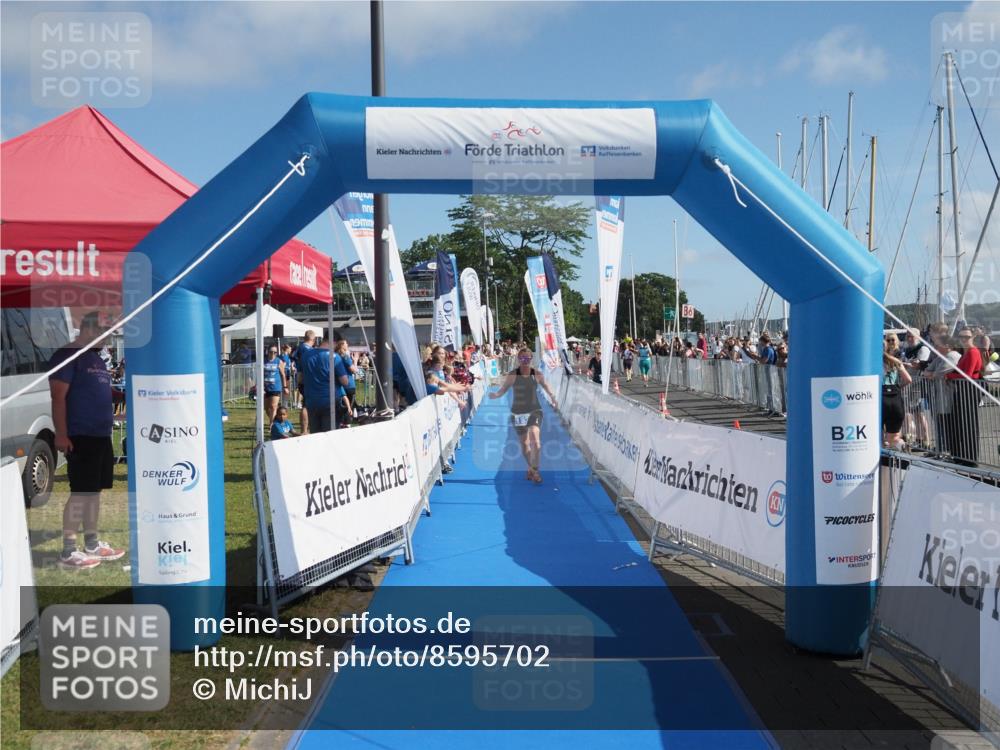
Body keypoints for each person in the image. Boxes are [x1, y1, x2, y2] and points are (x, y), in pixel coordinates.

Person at [48, 312, 125, 570]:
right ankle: (69, 551)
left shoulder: (96, 358)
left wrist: (123, 396)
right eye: (106, 332)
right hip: (80, 436)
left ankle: (92, 544)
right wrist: (61, 433)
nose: (109, 339)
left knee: (94, 492)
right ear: (90, 329)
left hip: (101, 435)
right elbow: (58, 396)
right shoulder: (68, 354)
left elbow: (100, 390)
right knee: (80, 493)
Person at [489, 347, 556, 484]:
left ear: (531, 359)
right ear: (518, 359)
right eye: (522, 359)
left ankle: (535, 471)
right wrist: (496, 395)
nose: (525, 361)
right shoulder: (513, 374)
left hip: (534, 410)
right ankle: (531, 468)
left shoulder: (536, 374)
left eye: (527, 358)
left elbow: (546, 386)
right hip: (517, 413)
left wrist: (553, 397)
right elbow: (503, 389)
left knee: (536, 441)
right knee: (525, 444)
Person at [946, 327, 983, 467]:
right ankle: (963, 456)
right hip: (962, 390)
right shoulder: (966, 352)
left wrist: (948, 375)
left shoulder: (973, 352)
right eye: (961, 336)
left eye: (967, 336)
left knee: (968, 424)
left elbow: (967, 375)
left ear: (972, 337)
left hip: (969, 391)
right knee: (961, 423)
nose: (964, 339)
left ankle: (970, 458)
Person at [882, 335, 912, 450]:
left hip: (881, 397)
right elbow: (908, 379)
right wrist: (898, 387)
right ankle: (902, 445)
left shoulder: (872, 363)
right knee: (893, 438)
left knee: (880, 439)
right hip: (895, 398)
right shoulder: (896, 361)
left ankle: (882, 464)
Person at [293, 330, 315, 433]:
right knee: (307, 406)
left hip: (301, 378)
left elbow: (293, 357)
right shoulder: (308, 350)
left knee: (305, 404)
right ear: (313, 339)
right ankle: (305, 430)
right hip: (308, 379)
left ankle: (305, 429)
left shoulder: (300, 347)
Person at [262, 345, 287, 422]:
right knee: (266, 407)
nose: (273, 353)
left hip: (275, 387)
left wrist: (285, 387)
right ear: (267, 352)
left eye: (275, 352)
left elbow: (283, 375)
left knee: (273, 406)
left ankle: (271, 425)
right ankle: (275, 420)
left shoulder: (278, 361)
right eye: (271, 352)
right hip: (265, 387)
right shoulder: (263, 361)